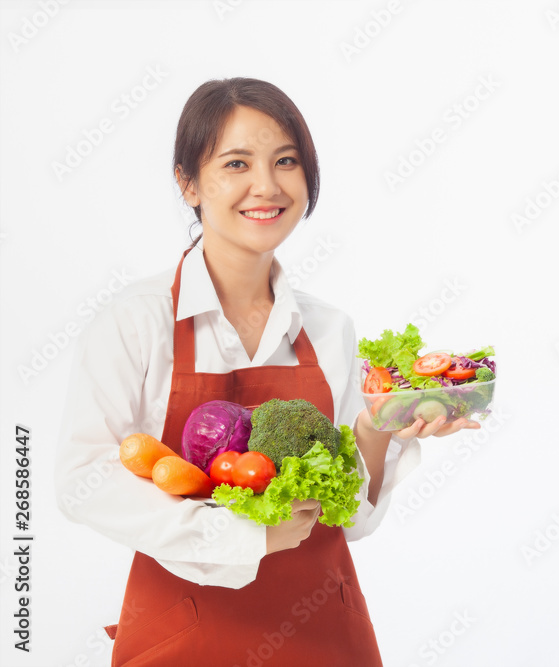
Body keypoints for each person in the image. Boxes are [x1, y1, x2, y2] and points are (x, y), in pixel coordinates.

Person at [54, 77, 478, 666]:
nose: (267, 186)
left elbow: (345, 519)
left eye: (286, 161)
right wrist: (239, 538)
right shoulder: (135, 322)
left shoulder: (329, 329)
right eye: (236, 163)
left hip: (323, 635)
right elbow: (82, 479)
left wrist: (382, 426)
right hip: (186, 633)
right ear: (188, 183)